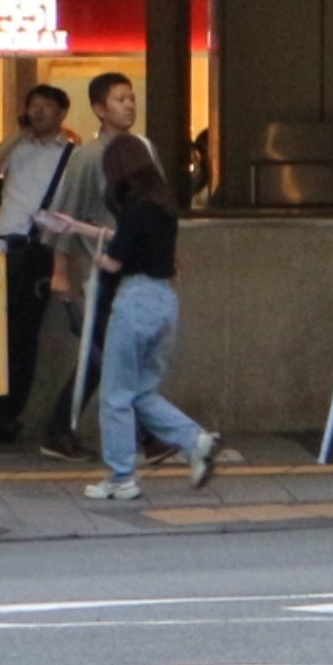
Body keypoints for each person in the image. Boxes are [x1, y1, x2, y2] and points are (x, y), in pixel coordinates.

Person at [83, 144, 225, 505]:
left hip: (134, 301)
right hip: (164, 302)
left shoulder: (132, 210)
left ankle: (120, 477)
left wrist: (98, 257)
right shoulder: (164, 208)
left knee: (115, 396)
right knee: (141, 390)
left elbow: (115, 262)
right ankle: (196, 442)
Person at [33, 71, 157, 461]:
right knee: (116, 353)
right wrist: (60, 271)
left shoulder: (144, 150)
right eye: (120, 99)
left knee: (104, 356)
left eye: (132, 97)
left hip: (138, 269)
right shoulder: (87, 157)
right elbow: (63, 216)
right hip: (98, 272)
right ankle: (151, 435)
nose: (129, 104)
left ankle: (60, 429)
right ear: (100, 110)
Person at [0, 84, 76, 447]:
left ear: (62, 113)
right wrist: (16, 135)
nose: (38, 112)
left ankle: (7, 415)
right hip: (0, 247)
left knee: (22, 336)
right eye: (33, 105)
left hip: (37, 250)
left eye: (47, 106)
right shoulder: (18, 147)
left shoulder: (71, 156)